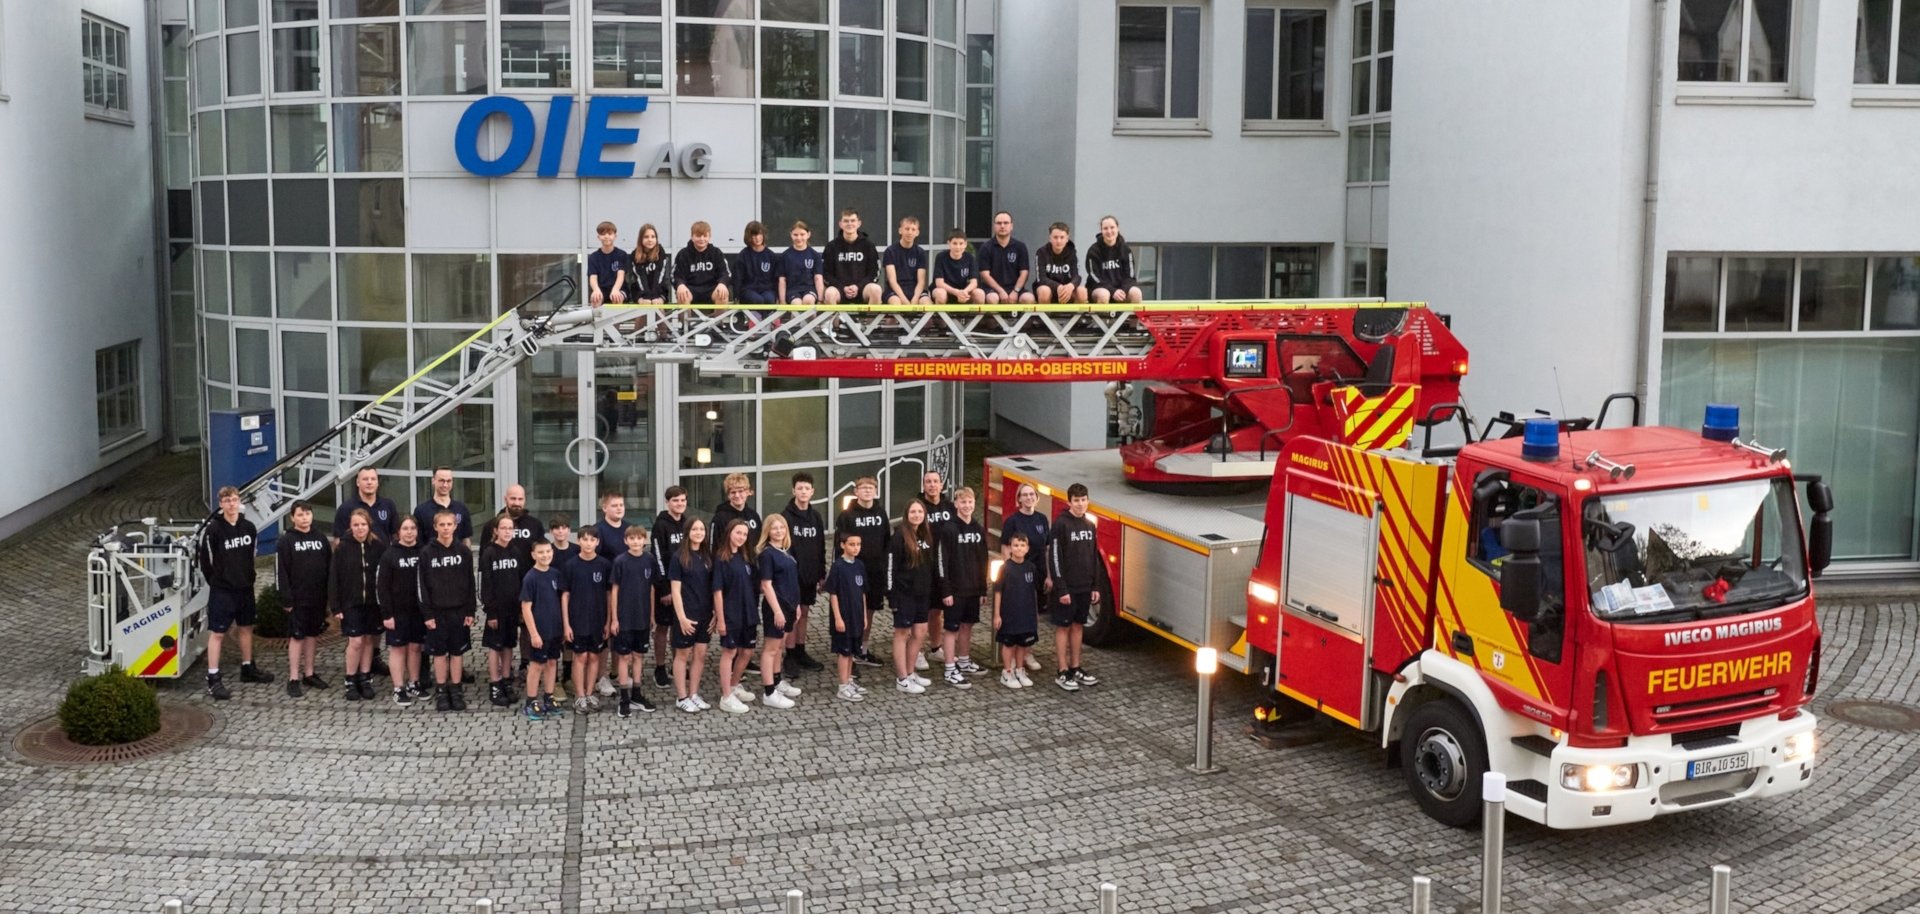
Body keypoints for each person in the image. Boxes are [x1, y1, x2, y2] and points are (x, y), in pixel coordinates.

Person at [196, 486, 272, 699]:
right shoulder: (213, 530)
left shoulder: (249, 527)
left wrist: (248, 578)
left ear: (240, 503)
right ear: (221, 504)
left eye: (235, 500)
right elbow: (206, 562)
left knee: (246, 627)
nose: (231, 504)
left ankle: (248, 667)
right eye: (227, 500)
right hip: (222, 591)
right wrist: (219, 582)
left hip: (245, 588)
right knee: (218, 633)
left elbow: (252, 554)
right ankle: (213, 677)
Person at [1046, 483, 1109, 691]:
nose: (1080, 504)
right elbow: (1055, 557)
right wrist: (1061, 588)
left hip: (1084, 587)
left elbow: (1093, 557)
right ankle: (1062, 671)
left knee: (1078, 626)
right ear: (1069, 502)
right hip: (1067, 588)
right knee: (1063, 627)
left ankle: (1076, 667)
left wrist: (1095, 586)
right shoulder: (1060, 525)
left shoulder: (1090, 525)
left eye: (1083, 500)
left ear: (1088, 501)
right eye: (1076, 501)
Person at [420, 510, 476, 712]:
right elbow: (422, 586)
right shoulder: (427, 552)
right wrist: (427, 614)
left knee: (457, 652)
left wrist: (471, 611)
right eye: (441, 525)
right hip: (436, 612)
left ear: (455, 526)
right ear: (435, 527)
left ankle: (456, 689)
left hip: (459, 611)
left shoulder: (463, 551)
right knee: (440, 654)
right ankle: (442, 689)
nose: (445, 528)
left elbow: (471, 583)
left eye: (449, 524)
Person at [276, 501, 332, 698]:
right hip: (297, 598)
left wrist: (329, 597)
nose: (304, 517)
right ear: (292, 517)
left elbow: (329, 568)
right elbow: (281, 572)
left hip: (317, 597)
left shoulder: (321, 539)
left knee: (312, 635)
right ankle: (293, 677)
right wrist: (286, 599)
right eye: (300, 514)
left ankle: (309, 672)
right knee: (297, 637)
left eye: (307, 513)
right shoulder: (286, 541)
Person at [331, 508, 387, 701]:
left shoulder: (378, 547)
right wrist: (335, 606)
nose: (360, 528)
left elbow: (384, 577)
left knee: (369, 640)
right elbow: (334, 578)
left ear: (369, 525)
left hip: (372, 603)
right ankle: (350, 678)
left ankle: (365, 677)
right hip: (351, 602)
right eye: (356, 525)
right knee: (355, 641)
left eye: (363, 524)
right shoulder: (343, 548)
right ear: (350, 527)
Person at [834, 476, 889, 667]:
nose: (867, 491)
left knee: (870, 611)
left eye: (871, 488)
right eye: (863, 488)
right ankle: (849, 648)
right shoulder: (847, 516)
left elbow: (886, 542)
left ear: (876, 491)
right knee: (852, 611)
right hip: (852, 572)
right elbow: (838, 546)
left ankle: (863, 649)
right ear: (856, 492)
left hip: (875, 572)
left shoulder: (881, 513)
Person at [937, 487, 989, 688]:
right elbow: (942, 561)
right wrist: (946, 589)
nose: (967, 506)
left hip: (974, 589)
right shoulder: (949, 529)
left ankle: (965, 660)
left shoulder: (978, 528)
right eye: (963, 502)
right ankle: (950, 668)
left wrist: (983, 588)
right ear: (956, 504)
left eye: (970, 502)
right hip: (955, 590)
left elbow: (983, 559)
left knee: (968, 625)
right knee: (951, 628)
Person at [778, 472, 828, 673]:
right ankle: (789, 654)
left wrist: (821, 573)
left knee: (804, 613)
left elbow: (821, 546)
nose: (804, 492)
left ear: (812, 492)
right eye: (800, 488)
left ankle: (800, 650)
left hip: (810, 575)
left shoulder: (816, 516)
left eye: (807, 488)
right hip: (791, 577)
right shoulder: (785, 517)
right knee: (792, 616)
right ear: (793, 491)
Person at [609, 526, 661, 718]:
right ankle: (624, 698)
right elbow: (614, 590)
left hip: (642, 617)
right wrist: (614, 618)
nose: (636, 541)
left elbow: (651, 589)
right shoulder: (620, 561)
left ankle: (636, 695)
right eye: (632, 538)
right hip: (624, 618)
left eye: (639, 538)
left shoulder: (649, 560)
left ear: (644, 540)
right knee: (624, 657)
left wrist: (652, 615)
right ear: (626, 541)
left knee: (639, 656)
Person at [1000, 482, 1050, 674]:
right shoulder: (1013, 521)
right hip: (1017, 575)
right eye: (1025, 495)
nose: (1029, 498)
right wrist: (1009, 569)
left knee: (1033, 614)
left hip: (1037, 573)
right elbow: (1005, 546)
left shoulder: (1042, 519)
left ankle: (1027, 652)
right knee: (1015, 613)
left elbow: (1046, 548)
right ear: (1018, 498)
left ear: (1036, 498)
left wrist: (1049, 575)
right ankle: (1012, 656)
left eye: (1032, 494)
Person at [754, 514, 804, 709]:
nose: (778, 531)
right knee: (771, 649)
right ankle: (769, 691)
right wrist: (777, 611)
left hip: (790, 606)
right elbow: (766, 585)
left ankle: (777, 680)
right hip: (777, 607)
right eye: (774, 528)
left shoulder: (786, 550)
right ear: (768, 531)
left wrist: (797, 605)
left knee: (780, 647)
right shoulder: (767, 554)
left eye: (781, 528)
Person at [479, 514, 528, 708]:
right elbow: (486, 585)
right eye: (504, 528)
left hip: (512, 608)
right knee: (495, 646)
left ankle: (506, 679)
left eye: (510, 528)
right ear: (496, 531)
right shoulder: (489, 553)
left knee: (509, 644)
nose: (508, 531)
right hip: (496, 610)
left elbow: (521, 580)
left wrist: (522, 608)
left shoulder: (516, 552)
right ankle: (495, 683)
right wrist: (490, 612)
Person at [377, 515, 427, 703]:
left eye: (412, 528)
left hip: (418, 611)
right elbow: (382, 587)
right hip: (397, 612)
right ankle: (398, 687)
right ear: (398, 532)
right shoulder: (390, 554)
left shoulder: (423, 552)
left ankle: (414, 683)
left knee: (415, 648)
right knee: (398, 649)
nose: (409, 532)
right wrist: (387, 614)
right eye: (405, 528)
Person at [888, 501, 936, 695]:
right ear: (906, 514)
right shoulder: (899, 536)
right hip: (904, 594)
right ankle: (902, 678)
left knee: (920, 631)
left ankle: (910, 671)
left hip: (922, 594)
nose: (917, 515)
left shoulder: (926, 534)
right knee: (902, 634)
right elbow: (890, 568)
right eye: (913, 511)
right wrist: (892, 597)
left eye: (920, 511)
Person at [562, 528, 613, 713]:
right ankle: (579, 695)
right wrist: (566, 623)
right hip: (577, 619)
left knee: (594, 657)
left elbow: (609, 595)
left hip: (598, 619)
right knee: (580, 656)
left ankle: (590, 692)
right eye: (585, 539)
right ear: (579, 541)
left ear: (597, 542)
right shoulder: (571, 565)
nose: (589, 543)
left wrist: (608, 621)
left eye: (592, 540)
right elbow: (565, 595)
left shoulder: (604, 565)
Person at [712, 519, 759, 714]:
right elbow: (717, 591)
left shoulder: (746, 556)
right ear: (729, 532)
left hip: (748, 612)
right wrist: (721, 619)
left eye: (745, 534)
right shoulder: (721, 559)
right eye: (738, 533)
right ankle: (726, 696)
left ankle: (734, 684)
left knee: (747, 652)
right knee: (729, 653)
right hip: (731, 614)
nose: (741, 537)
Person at [668, 517, 714, 712]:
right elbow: (675, 591)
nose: (699, 533)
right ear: (688, 532)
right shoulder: (678, 557)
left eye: (701, 529)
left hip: (705, 614)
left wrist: (714, 614)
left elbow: (712, 588)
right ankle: (682, 696)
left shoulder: (707, 556)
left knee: (700, 654)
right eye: (695, 529)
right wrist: (682, 618)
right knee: (682, 655)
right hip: (686, 615)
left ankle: (694, 693)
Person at [519, 540, 566, 721]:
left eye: (548, 551)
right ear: (533, 555)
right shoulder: (530, 577)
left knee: (552, 662)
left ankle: (549, 696)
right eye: (541, 552)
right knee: (537, 665)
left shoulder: (555, 574)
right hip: (540, 631)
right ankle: (531, 701)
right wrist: (534, 633)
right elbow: (526, 608)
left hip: (554, 629)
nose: (545, 555)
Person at [649, 486, 690, 690]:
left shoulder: (687, 524)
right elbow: (657, 556)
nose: (679, 504)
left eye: (682, 500)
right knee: (663, 627)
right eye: (675, 501)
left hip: (684, 586)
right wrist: (664, 588)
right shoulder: (660, 525)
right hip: (666, 586)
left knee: (678, 626)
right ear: (667, 502)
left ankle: (677, 665)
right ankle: (660, 667)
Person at [914, 470, 957, 665]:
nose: (932, 485)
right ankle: (916, 650)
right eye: (928, 482)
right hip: (924, 565)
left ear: (941, 484)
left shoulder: (950, 506)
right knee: (921, 609)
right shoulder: (917, 507)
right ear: (923, 486)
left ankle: (935, 647)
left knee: (937, 611)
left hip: (945, 566)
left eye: (935, 481)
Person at [993, 532, 1042, 689]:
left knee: (1022, 644)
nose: (1019, 548)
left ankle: (1020, 670)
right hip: (1009, 614)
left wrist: (1035, 613)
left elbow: (1034, 591)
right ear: (1010, 548)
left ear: (1027, 548)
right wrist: (997, 615)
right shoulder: (1005, 568)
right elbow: (998, 592)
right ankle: (1007, 672)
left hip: (1026, 614)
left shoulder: (1031, 568)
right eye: (1015, 545)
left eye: (1022, 545)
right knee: (1009, 644)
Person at [823, 533, 869, 702]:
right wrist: (838, 618)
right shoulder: (838, 567)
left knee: (852, 652)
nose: (855, 547)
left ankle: (849, 680)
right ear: (843, 545)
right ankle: (842, 686)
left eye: (858, 544)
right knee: (844, 652)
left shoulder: (860, 565)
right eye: (851, 544)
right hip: (844, 617)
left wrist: (864, 616)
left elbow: (862, 593)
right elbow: (833, 594)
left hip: (856, 616)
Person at [821, 208, 882, 304]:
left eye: (853, 220)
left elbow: (874, 272)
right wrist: (843, 287)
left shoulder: (868, 245)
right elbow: (826, 274)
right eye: (846, 221)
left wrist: (858, 287)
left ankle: (871, 319)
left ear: (859, 223)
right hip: (839, 290)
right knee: (829, 293)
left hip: (862, 289)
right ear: (840, 224)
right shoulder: (831, 246)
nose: (849, 224)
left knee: (876, 290)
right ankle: (834, 320)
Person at [978, 211, 1035, 305]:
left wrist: (1015, 291)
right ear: (994, 226)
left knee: (1029, 298)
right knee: (992, 299)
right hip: (992, 290)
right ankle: (991, 320)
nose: (1002, 226)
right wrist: (1000, 291)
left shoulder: (1020, 247)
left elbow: (1024, 272)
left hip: (1015, 289)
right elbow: (985, 275)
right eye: (999, 223)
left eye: (1006, 223)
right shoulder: (986, 247)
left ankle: (1024, 320)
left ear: (1011, 226)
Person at [673, 220, 733, 307]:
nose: (702, 239)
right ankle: (685, 321)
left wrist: (722, 283)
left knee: (722, 295)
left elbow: (726, 272)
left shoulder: (716, 253)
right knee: (682, 296)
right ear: (692, 237)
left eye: (705, 236)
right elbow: (675, 275)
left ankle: (719, 321)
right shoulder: (683, 254)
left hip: (711, 290)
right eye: (698, 236)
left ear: (709, 237)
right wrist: (680, 285)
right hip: (690, 290)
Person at [1084, 215, 1142, 304]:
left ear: (1118, 228)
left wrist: (1122, 291)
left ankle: (1132, 318)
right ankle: (1102, 318)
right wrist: (1112, 291)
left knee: (1136, 293)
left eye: (1112, 227)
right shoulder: (1094, 251)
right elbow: (1094, 276)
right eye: (1105, 228)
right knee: (1104, 295)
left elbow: (1130, 276)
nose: (1109, 231)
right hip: (1099, 288)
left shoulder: (1126, 250)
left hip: (1121, 289)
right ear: (1101, 230)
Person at [412, 466, 473, 550]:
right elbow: (418, 541)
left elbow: (466, 539)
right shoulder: (421, 510)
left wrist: (467, 559)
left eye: (448, 481)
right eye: (441, 481)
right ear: (433, 480)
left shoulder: (461, 509)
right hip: (432, 560)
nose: (445, 485)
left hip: (456, 560)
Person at [332, 466, 398, 543]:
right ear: (357, 482)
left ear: (377, 483)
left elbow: (395, 535)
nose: (369, 482)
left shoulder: (388, 505)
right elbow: (338, 539)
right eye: (365, 479)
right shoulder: (346, 508)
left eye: (373, 479)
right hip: (356, 554)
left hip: (384, 554)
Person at [1033, 222, 1086, 304]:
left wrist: (1070, 286)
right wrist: (1058, 286)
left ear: (1067, 238)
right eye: (1055, 237)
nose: (1058, 241)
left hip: (1066, 290)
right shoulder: (1041, 252)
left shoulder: (1072, 252)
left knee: (1082, 291)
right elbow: (1041, 278)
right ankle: (1047, 316)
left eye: (1062, 237)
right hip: (1049, 289)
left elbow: (1077, 276)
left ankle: (1076, 316)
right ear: (1050, 238)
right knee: (1044, 291)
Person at [882, 215, 930, 305]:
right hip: (895, 291)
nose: (910, 232)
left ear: (917, 232)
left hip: (915, 290)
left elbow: (921, 281)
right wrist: (904, 300)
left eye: (913, 229)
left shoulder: (920, 252)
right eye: (907, 229)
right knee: (895, 303)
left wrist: (915, 298)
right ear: (900, 230)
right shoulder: (890, 251)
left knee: (927, 304)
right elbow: (892, 280)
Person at [932, 228, 984, 304]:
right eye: (955, 243)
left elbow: (974, 283)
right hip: (947, 291)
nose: (958, 247)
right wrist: (956, 292)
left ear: (965, 244)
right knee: (940, 293)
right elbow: (939, 283)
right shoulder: (940, 257)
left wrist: (964, 292)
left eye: (961, 243)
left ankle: (975, 316)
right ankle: (941, 316)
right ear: (949, 243)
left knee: (980, 294)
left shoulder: (970, 258)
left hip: (964, 293)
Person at [778, 221, 824, 305]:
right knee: (796, 303)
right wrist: (782, 301)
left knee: (808, 300)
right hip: (792, 290)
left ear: (808, 234)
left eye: (802, 234)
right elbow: (782, 280)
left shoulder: (815, 255)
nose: (799, 238)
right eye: (795, 235)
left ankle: (812, 318)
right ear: (791, 235)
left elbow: (818, 278)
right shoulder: (785, 256)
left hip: (809, 289)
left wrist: (820, 299)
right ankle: (796, 318)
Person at [736, 221, 780, 306]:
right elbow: (738, 278)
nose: (757, 238)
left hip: (767, 289)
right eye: (754, 235)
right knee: (757, 300)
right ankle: (753, 318)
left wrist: (777, 296)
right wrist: (736, 297)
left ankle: (767, 319)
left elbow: (776, 279)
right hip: (748, 290)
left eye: (760, 234)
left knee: (769, 299)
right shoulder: (743, 256)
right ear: (749, 236)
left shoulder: (771, 256)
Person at [586, 220, 629, 307]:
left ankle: (617, 321)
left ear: (615, 236)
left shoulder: (621, 254)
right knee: (595, 299)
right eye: (603, 234)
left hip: (619, 289)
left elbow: (621, 275)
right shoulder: (593, 257)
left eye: (609, 234)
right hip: (601, 289)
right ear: (598, 237)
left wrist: (616, 290)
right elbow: (592, 277)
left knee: (616, 297)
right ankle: (597, 321)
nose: (606, 236)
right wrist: (596, 290)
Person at [496, 484, 545, 557]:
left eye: (520, 499)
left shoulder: (535, 525)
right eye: (513, 498)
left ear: (525, 500)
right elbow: (484, 559)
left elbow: (542, 551)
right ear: (505, 499)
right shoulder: (492, 525)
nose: (517, 503)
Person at [628, 223, 671, 305]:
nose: (650, 240)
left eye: (653, 237)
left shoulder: (660, 252)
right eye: (646, 237)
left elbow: (659, 275)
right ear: (641, 239)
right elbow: (640, 277)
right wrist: (646, 297)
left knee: (658, 308)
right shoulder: (635, 255)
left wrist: (654, 296)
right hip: (641, 293)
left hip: (659, 292)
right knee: (643, 310)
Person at [712, 472, 761, 541]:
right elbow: (714, 546)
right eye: (733, 492)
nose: (737, 495)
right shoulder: (720, 518)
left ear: (747, 492)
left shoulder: (754, 515)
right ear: (728, 495)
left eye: (740, 491)